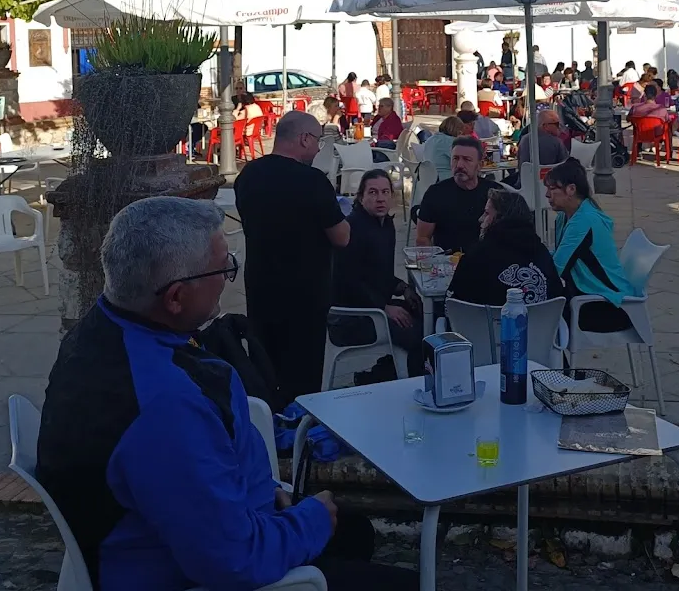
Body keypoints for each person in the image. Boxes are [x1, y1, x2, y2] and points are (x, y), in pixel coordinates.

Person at [36, 197, 413, 591]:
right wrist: (310, 520)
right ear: (176, 297)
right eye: (223, 267)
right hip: (178, 570)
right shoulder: (162, 405)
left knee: (353, 532)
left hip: (197, 521)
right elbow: (234, 561)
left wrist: (266, 493)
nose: (229, 276)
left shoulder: (103, 331)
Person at [235, 112, 350, 404]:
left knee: (265, 363)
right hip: (304, 291)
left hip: (260, 283)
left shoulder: (248, 175)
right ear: (303, 139)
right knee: (302, 372)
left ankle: (269, 425)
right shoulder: (312, 181)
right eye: (318, 141)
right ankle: (299, 432)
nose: (318, 148)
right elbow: (341, 237)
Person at [333, 170, 423, 370]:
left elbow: (376, 275)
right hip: (350, 318)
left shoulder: (385, 225)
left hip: (371, 306)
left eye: (385, 192)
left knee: (428, 315)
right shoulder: (352, 228)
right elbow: (347, 282)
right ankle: (409, 382)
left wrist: (403, 288)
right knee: (417, 332)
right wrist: (384, 308)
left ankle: (392, 372)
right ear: (361, 197)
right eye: (373, 192)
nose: (380, 198)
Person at [545, 159, 639, 332]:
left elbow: (556, 269)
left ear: (571, 189)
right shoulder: (566, 216)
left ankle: (554, 358)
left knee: (540, 316)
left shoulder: (583, 221)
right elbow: (558, 258)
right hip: (591, 295)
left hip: (609, 306)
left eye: (552, 189)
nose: (547, 195)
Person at [447, 188, 564, 306]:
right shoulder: (541, 253)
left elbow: (452, 306)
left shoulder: (476, 256)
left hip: (488, 324)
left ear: (500, 218)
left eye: (487, 213)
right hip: (541, 323)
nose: (480, 219)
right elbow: (558, 299)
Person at [417, 137, 502, 252]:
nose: (460, 165)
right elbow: (423, 238)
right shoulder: (436, 193)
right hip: (448, 263)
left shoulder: (495, 192)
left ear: (480, 165)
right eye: (455, 159)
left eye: (467, 159)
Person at [424, 115, 465, 181]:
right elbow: (463, 160)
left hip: (427, 179)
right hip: (445, 179)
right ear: (457, 131)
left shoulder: (431, 139)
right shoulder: (449, 141)